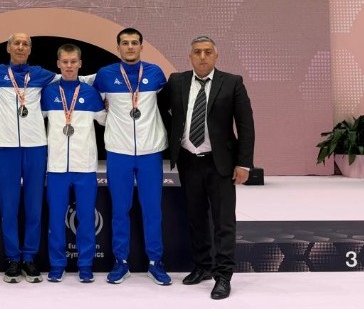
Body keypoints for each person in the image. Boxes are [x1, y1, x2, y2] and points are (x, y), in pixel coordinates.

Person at [166, 35, 254, 300]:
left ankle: (223, 275)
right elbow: (156, 108)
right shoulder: (177, 81)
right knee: (196, 218)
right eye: (197, 52)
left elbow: (246, 125)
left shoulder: (232, 82)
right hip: (188, 160)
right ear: (190, 56)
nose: (202, 56)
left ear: (216, 55)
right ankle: (202, 266)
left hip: (220, 163)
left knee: (223, 221)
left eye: (207, 52)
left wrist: (244, 163)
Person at [91, 28, 171, 285]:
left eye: (134, 43)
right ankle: (120, 261)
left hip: (150, 151)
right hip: (118, 151)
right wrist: (107, 120)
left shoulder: (155, 73)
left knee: (152, 209)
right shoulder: (105, 75)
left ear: (141, 47)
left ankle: (155, 261)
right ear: (118, 47)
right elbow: (91, 102)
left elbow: (168, 103)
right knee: (120, 209)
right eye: (125, 43)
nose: (130, 47)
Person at [0, 32, 56, 283]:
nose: (21, 47)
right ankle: (13, 258)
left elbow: (72, 79)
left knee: (34, 206)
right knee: (9, 206)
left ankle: (30, 258)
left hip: (36, 146)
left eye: (25, 44)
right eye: (16, 43)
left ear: (30, 50)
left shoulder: (41, 74)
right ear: (8, 47)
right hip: (5, 147)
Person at [41, 44, 106, 283]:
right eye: (65, 62)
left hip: (85, 166)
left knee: (86, 218)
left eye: (73, 62)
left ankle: (85, 264)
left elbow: (105, 121)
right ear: (58, 64)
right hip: (56, 167)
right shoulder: (48, 93)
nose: (69, 66)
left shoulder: (90, 93)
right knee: (56, 218)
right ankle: (57, 264)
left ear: (80, 64)